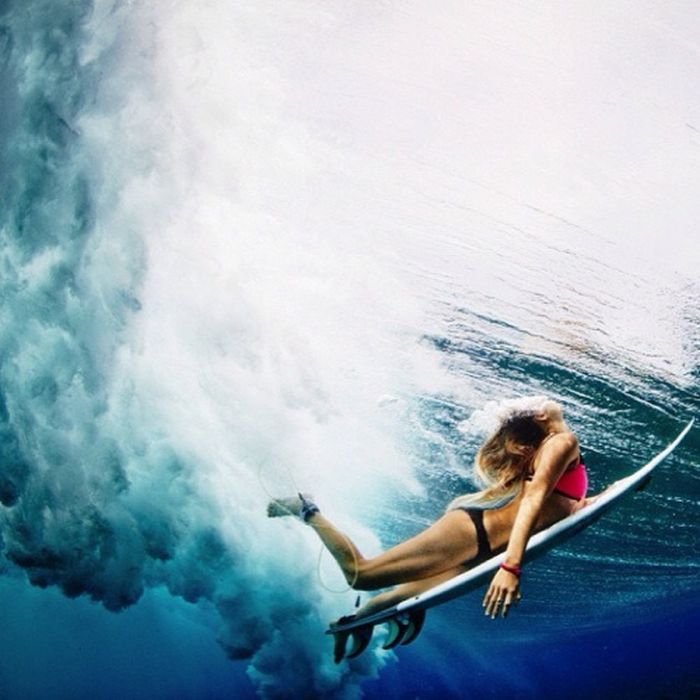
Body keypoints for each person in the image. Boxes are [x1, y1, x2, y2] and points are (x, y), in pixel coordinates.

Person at [267, 396, 591, 622]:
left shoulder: (554, 446)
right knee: (360, 575)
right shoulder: (561, 442)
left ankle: (358, 618)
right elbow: (534, 500)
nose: (546, 401)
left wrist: (579, 504)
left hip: (485, 549)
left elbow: (551, 501)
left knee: (400, 597)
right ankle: (307, 508)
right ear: (540, 418)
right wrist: (511, 568)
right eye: (542, 404)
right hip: (472, 533)